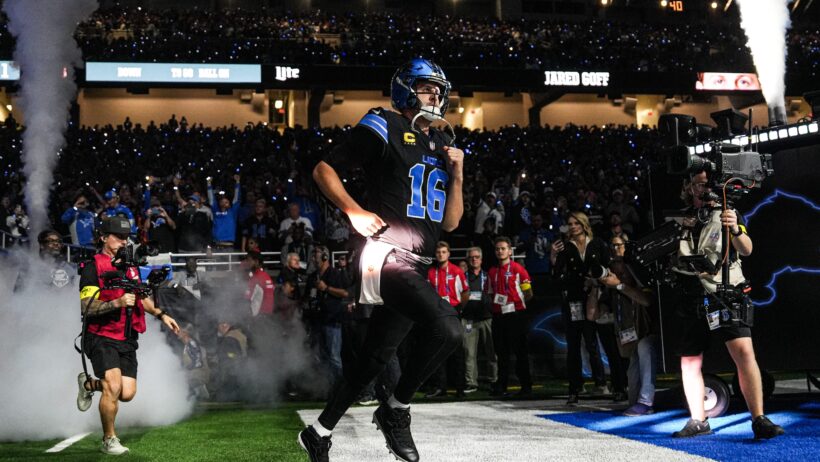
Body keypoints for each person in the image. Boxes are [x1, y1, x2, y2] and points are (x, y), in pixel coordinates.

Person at [299, 58, 464, 462]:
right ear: (406, 88)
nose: (436, 96)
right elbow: (324, 169)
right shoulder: (384, 123)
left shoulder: (440, 145)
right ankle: (397, 409)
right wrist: (353, 210)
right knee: (449, 329)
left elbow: (452, 224)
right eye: (428, 88)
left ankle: (318, 432)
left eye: (439, 90)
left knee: (375, 357)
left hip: (419, 260)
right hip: (388, 254)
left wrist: (458, 176)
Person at [671, 170, 784, 439]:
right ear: (688, 187)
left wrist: (734, 227)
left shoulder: (727, 213)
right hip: (691, 294)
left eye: (707, 183)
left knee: (744, 353)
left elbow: (746, 248)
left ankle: (759, 418)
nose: (703, 188)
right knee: (689, 360)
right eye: (697, 183)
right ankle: (698, 420)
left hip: (725, 291)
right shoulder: (680, 218)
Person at [76, 216, 180, 455]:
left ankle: (89, 384)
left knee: (127, 393)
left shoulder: (131, 266)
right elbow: (86, 306)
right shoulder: (93, 266)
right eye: (118, 237)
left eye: (126, 237)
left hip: (127, 337)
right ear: (104, 237)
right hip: (100, 335)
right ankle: (109, 439)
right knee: (112, 386)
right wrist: (118, 302)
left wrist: (162, 314)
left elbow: (142, 297)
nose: (124, 241)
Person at [551, 211, 610, 404]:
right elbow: (557, 275)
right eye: (570, 223)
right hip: (573, 299)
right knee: (574, 345)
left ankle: (601, 383)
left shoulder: (597, 244)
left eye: (576, 223)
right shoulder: (566, 248)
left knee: (593, 342)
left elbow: (606, 266)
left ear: (583, 224)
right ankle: (575, 387)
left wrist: (595, 281)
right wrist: (577, 280)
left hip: (594, 298)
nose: (572, 226)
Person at [598, 235, 657, 415]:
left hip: (653, 330)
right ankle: (641, 402)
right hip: (631, 333)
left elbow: (646, 300)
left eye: (619, 246)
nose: (616, 250)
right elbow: (594, 315)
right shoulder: (612, 275)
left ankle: (646, 402)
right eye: (612, 246)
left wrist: (620, 285)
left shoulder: (639, 270)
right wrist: (595, 286)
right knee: (632, 378)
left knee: (645, 347)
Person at [487, 236, 533, 397]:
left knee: (520, 352)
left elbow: (528, 293)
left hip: (516, 315)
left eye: (503, 248)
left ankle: (526, 387)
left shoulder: (518, 269)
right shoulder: (492, 272)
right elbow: (490, 294)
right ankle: (502, 386)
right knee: (502, 353)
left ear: (509, 250)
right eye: (497, 249)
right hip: (499, 317)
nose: (500, 251)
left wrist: (515, 304)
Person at [424, 241, 469, 398]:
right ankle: (439, 387)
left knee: (457, 351)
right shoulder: (430, 272)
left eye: (444, 252)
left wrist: (458, 310)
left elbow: (465, 293)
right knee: (437, 350)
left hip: (453, 310)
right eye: (438, 252)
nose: (441, 255)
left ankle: (459, 388)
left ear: (449, 253)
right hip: (436, 313)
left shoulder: (457, 271)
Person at [304, 245, 350, 387]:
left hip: (332, 319)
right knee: (321, 357)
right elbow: (307, 297)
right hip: (317, 320)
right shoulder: (312, 276)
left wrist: (327, 288)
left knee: (334, 357)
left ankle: (340, 388)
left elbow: (345, 293)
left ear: (325, 256)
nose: (313, 258)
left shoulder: (335, 274)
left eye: (315, 254)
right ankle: (327, 388)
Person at [461, 247, 497, 394]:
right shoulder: (462, 277)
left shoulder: (488, 276)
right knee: (469, 353)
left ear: (481, 260)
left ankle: (494, 380)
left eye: (476, 257)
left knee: (492, 352)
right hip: (468, 319)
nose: (474, 259)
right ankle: (471, 383)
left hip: (487, 318)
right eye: (471, 257)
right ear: (468, 260)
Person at [207, 174, 242, 249]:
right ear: (219, 203)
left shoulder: (232, 212)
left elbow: (237, 198)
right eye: (222, 202)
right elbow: (211, 198)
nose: (224, 203)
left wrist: (238, 182)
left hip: (229, 245)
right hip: (216, 244)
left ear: (230, 204)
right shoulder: (215, 211)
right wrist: (209, 184)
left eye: (226, 202)